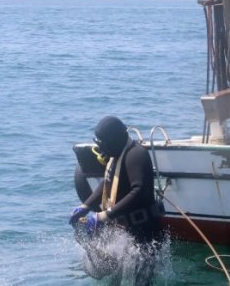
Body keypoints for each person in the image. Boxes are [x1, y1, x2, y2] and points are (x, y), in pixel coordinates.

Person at [69, 116, 164, 283]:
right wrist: (86, 206)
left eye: (104, 145)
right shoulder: (117, 154)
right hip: (126, 230)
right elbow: (107, 184)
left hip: (146, 234)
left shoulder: (136, 155)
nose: (102, 150)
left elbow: (139, 191)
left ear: (115, 141)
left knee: (141, 282)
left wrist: (103, 216)